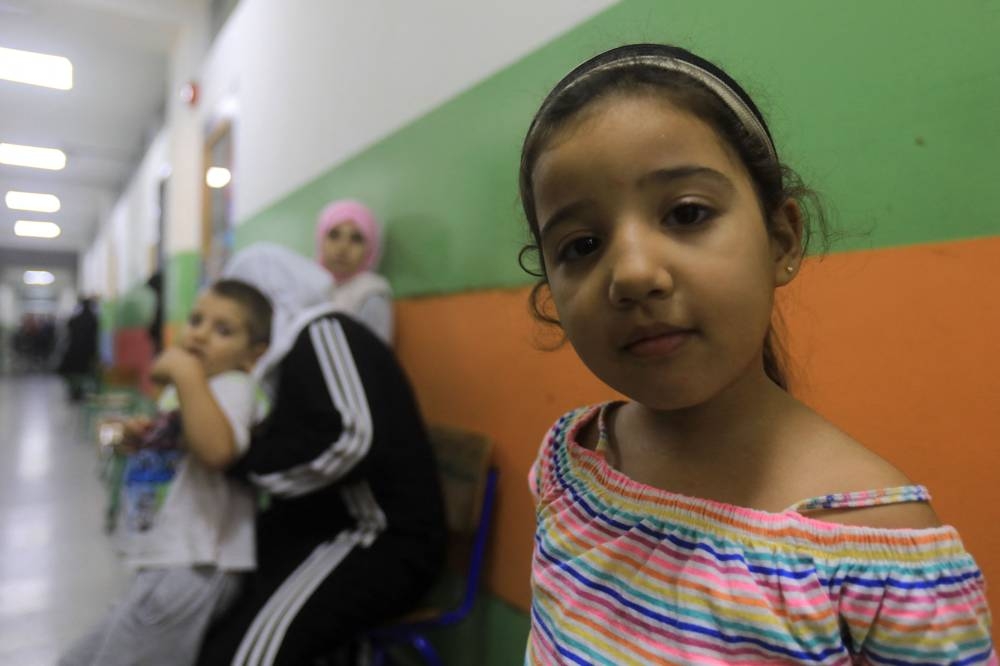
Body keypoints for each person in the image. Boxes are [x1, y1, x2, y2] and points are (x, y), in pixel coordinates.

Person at [519, 44, 995, 664]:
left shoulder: (877, 550)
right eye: (581, 245)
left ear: (781, 238)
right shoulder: (572, 464)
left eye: (686, 213)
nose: (633, 273)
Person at [196, 243, 445, 666]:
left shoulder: (323, 330)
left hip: (376, 537)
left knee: (244, 657)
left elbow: (351, 437)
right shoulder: (289, 354)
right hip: (329, 530)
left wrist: (244, 466)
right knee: (210, 621)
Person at [60, 279, 272, 666]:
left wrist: (186, 372)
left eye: (224, 330)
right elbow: (142, 441)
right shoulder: (185, 391)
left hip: (197, 564)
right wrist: (128, 436)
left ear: (252, 355)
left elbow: (217, 450)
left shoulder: (233, 387)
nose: (202, 335)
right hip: (161, 559)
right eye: (196, 320)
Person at [315, 199, 394, 345]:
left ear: (371, 248)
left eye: (356, 239)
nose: (342, 247)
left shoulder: (370, 294)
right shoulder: (307, 285)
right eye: (334, 235)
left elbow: (374, 357)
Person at [58, 297, 99, 400]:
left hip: (74, 350)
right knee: (86, 373)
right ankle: (86, 393)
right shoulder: (94, 319)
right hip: (88, 351)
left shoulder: (74, 319)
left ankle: (75, 392)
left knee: (74, 373)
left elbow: (68, 332)